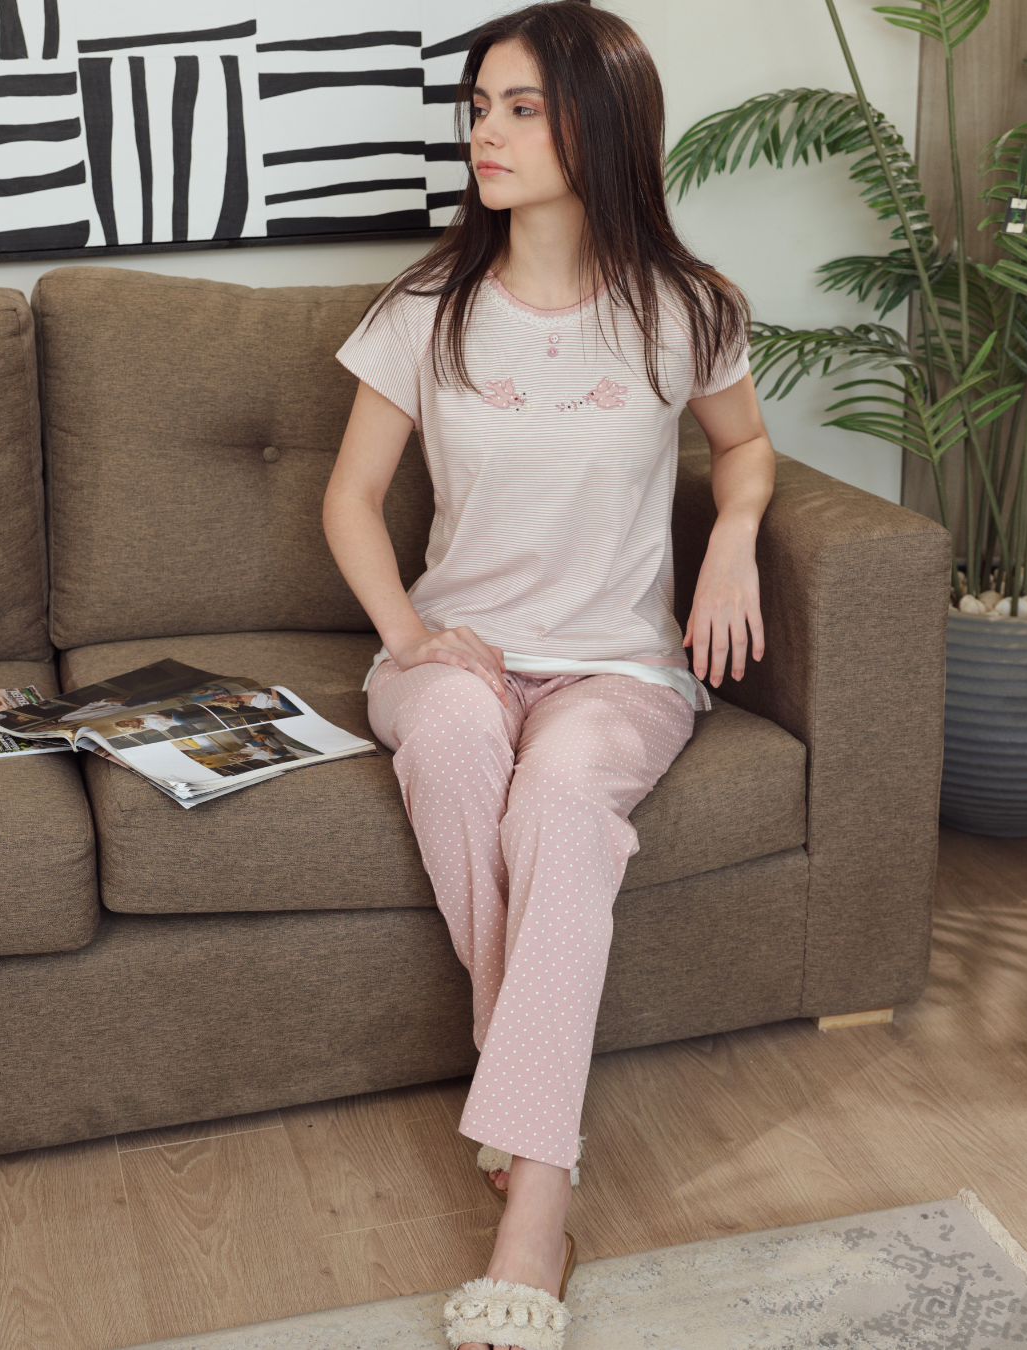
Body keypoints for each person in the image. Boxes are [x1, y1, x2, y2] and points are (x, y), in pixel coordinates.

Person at [322, 5, 775, 1346]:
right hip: (456, 657)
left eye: (521, 108)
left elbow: (745, 450)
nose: (486, 133)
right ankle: (544, 1148)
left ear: (602, 122)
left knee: (565, 798)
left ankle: (531, 1205)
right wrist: (410, 635)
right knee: (457, 738)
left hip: (618, 670)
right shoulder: (426, 308)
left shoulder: (688, 308)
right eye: (479, 107)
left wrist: (732, 539)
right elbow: (350, 499)